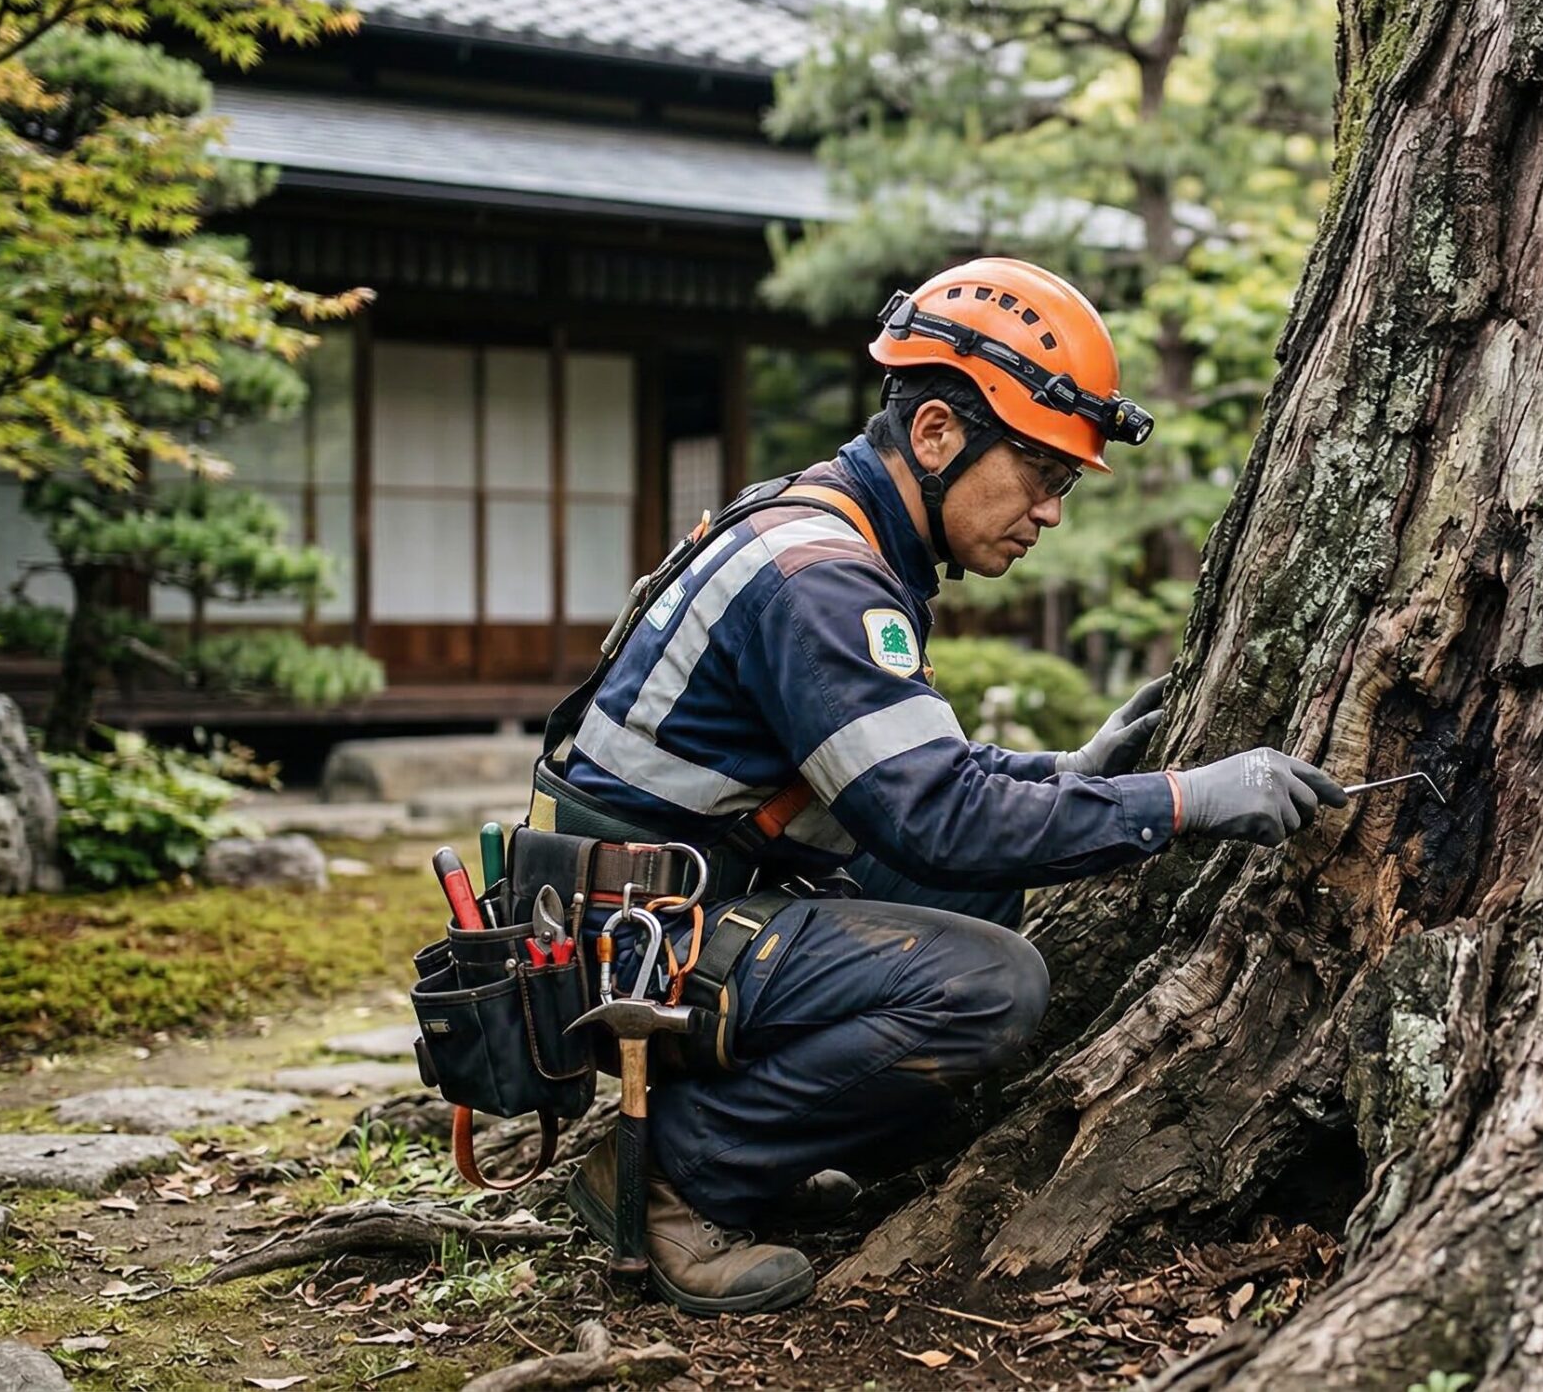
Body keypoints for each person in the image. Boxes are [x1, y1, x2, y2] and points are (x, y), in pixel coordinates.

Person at [535, 256, 1346, 1315]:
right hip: (636, 941)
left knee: (979, 886)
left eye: (1064, 483)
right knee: (990, 981)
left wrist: (1060, 774)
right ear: (933, 434)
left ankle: (759, 1136)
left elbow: (904, 778)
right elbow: (936, 817)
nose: (1050, 510)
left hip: (656, 902)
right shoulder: (824, 579)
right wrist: (1185, 800)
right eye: (1041, 471)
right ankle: (675, 1172)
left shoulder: (823, 527)